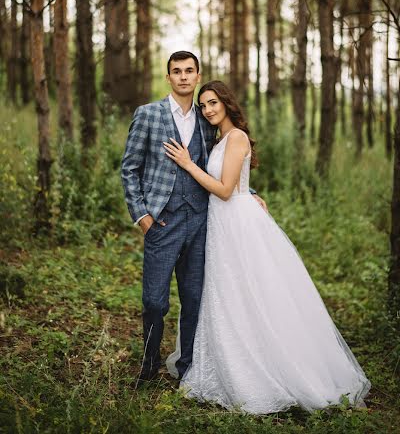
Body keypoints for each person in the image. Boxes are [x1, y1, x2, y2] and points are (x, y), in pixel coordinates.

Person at [163, 80, 371, 414]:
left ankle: (268, 371)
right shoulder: (221, 139)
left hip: (236, 223)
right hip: (223, 223)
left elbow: (227, 189)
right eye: (203, 105)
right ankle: (226, 362)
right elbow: (236, 182)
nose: (208, 110)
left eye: (213, 102)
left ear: (228, 103)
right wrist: (252, 191)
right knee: (227, 294)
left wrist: (188, 165)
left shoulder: (237, 137)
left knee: (251, 293)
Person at [121, 52, 265, 386]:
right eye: (177, 71)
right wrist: (142, 216)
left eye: (189, 71)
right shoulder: (148, 115)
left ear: (197, 76)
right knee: (154, 301)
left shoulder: (206, 119)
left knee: (194, 298)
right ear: (168, 76)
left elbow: (221, 165)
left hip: (201, 222)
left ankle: (188, 366)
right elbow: (129, 168)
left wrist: (250, 192)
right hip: (162, 223)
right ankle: (148, 365)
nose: (183, 76)